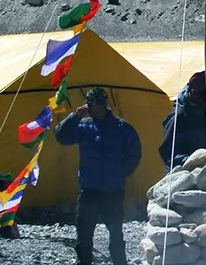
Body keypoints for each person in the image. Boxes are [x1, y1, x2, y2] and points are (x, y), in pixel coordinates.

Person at [55, 87, 142, 265]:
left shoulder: (121, 127)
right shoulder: (84, 126)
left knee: (116, 234)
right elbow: (61, 136)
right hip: (89, 189)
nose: (93, 109)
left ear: (103, 105)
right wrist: (75, 116)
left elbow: (135, 152)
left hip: (113, 189)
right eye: (90, 105)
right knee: (84, 235)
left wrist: (122, 172)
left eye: (95, 105)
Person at [159, 71, 206, 167]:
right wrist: (194, 160)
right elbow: (168, 154)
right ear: (193, 94)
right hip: (182, 173)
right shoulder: (179, 116)